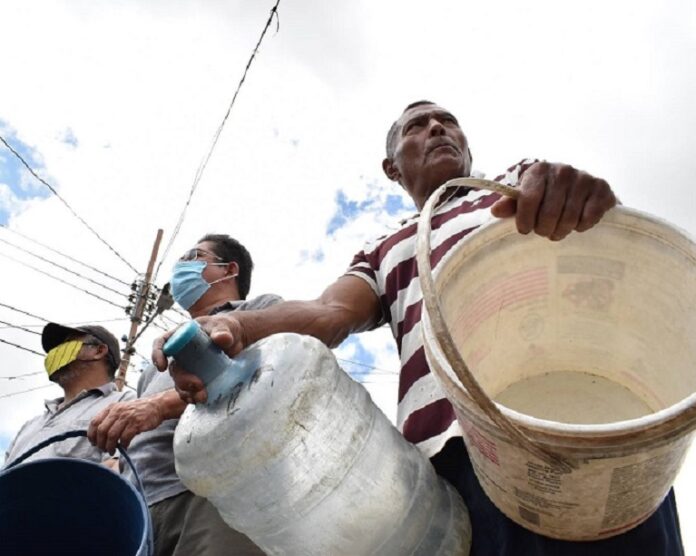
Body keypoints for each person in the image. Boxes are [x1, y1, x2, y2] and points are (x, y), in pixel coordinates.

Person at [155, 102, 683, 555]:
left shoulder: (516, 192)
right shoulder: (386, 249)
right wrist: (241, 325)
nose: (436, 129)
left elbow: (588, 225)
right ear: (391, 168)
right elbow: (329, 313)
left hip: (590, 440)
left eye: (447, 121)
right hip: (458, 461)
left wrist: (575, 195)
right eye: (417, 126)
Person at [89, 233, 278, 556]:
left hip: (211, 497)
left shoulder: (259, 310)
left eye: (194, 256)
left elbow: (271, 377)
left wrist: (160, 406)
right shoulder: (156, 366)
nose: (180, 266)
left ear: (229, 270)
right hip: (141, 511)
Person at [4, 322, 133, 468]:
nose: (54, 353)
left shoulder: (123, 403)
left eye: (67, 343)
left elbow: (118, 469)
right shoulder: (30, 426)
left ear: (99, 351)